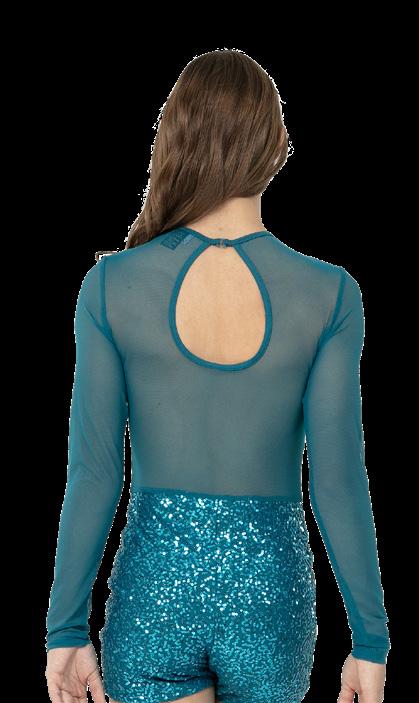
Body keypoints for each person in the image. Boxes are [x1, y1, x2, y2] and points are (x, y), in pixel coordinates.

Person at [45, 49, 390, 703]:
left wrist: (65, 628)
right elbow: (338, 481)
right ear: (274, 146)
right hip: (271, 599)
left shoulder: (112, 286)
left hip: (155, 595)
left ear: (176, 140)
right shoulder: (328, 294)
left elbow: (94, 472)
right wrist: (369, 640)